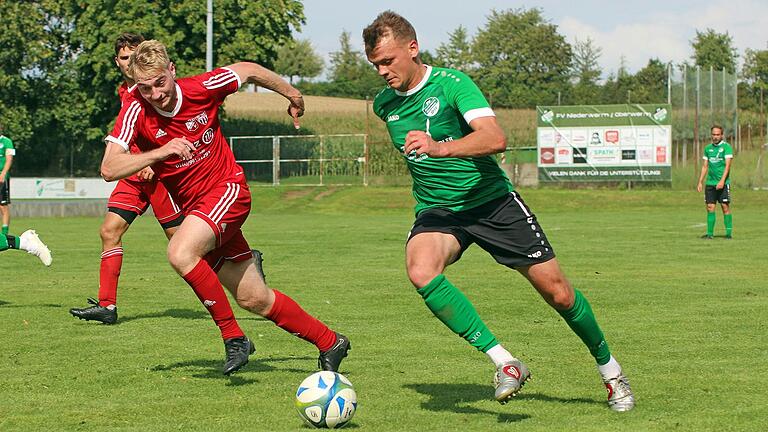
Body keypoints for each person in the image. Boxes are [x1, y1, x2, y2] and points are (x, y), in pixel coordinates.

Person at [363, 11, 634, 412]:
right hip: (440, 211)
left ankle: (611, 372)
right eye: (375, 65)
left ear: (412, 47)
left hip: (492, 203)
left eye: (388, 61)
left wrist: (440, 146)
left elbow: (495, 138)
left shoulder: (453, 85)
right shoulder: (384, 105)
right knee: (421, 270)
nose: (383, 71)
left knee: (559, 295)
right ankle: (506, 362)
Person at [99, 40, 349, 375]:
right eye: (145, 88)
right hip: (200, 211)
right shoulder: (135, 110)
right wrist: (161, 152)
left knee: (179, 252)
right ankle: (330, 341)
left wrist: (293, 94)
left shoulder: (201, 88)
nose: (156, 94)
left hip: (228, 191)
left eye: (160, 82)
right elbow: (109, 168)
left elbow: (248, 70)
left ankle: (234, 338)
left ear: (171, 70)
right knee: (253, 298)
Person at [70, 33, 185, 325]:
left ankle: (241, 258)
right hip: (133, 176)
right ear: (118, 61)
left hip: (159, 176)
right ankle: (107, 306)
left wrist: (155, 160)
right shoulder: (127, 91)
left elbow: (174, 129)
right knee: (109, 231)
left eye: (134, 56)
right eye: (124, 58)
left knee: (182, 245)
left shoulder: (157, 89)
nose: (129, 62)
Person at [696, 125, 733, 239]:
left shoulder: (727, 147)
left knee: (724, 206)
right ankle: (710, 234)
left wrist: (722, 181)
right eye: (714, 134)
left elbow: (727, 166)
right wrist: (700, 182)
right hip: (710, 183)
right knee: (710, 207)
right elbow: (705, 166)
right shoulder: (708, 149)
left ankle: (728, 234)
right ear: (711, 135)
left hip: (723, 183)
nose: (715, 136)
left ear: (721, 135)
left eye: (718, 134)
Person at [0, 122, 14, 235]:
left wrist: (3, 173)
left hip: (1, 177)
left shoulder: (7, 142)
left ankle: (4, 234)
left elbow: (9, 159)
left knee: (3, 206)